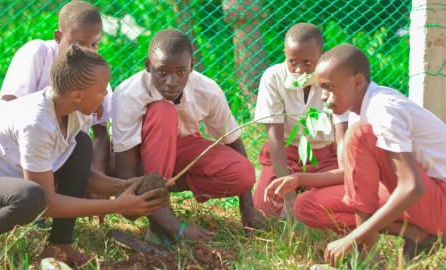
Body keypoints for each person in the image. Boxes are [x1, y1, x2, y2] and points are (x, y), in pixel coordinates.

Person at [0, 44, 167, 265]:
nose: (105, 96)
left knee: (82, 145)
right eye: (102, 90)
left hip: (7, 185)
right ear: (78, 95)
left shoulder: (74, 112)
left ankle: (59, 244)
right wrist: (117, 206)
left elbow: (84, 176)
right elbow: (46, 203)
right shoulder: (37, 122)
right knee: (29, 196)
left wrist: (127, 186)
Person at [268, 44, 446, 267]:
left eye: (329, 87)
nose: (323, 97)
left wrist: (353, 238)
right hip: (422, 199)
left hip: (438, 200)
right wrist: (299, 180)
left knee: (359, 135)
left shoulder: (382, 108)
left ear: (357, 82)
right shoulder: (358, 111)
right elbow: (352, 175)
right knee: (307, 205)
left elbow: (412, 186)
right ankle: (418, 235)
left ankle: (367, 260)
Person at [112, 29, 263, 246]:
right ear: (148, 65)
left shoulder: (207, 90)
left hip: (183, 149)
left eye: (181, 72)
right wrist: (176, 227)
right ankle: (160, 214)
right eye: (162, 72)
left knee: (243, 173)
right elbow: (125, 171)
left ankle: (159, 193)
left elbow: (233, 142)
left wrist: (247, 208)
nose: (171, 81)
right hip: (141, 157)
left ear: (191, 65)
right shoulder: (128, 94)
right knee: (162, 111)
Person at [0, 1, 113, 178]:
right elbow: (7, 109)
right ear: (59, 37)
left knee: (83, 143)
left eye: (95, 44)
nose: (88, 51)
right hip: (18, 153)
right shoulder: (37, 53)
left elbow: (100, 134)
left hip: (59, 157)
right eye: (80, 44)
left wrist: (98, 176)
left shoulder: (95, 73)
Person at [253, 23, 348, 219]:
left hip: (324, 158)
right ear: (284, 53)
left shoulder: (335, 79)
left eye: (308, 62)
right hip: (285, 156)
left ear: (322, 55)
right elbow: (275, 138)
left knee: (338, 203)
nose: (299, 70)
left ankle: (308, 192)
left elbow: (342, 136)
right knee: (267, 208)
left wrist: (342, 173)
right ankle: (299, 191)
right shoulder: (274, 78)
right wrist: (286, 195)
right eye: (292, 61)